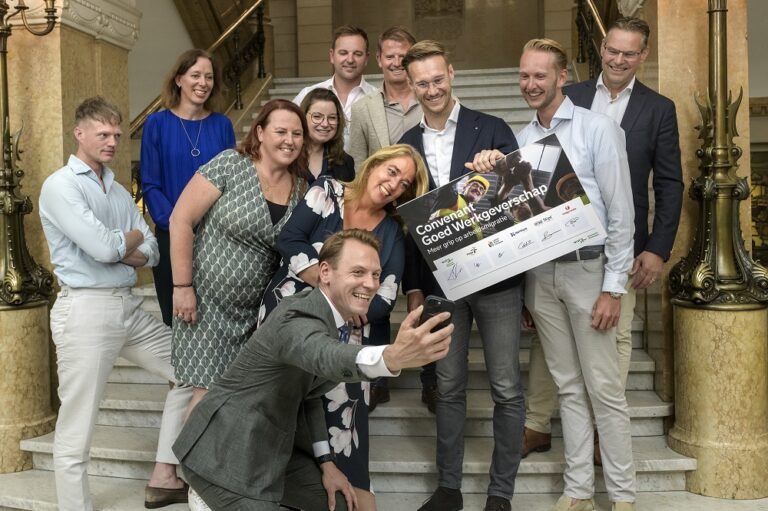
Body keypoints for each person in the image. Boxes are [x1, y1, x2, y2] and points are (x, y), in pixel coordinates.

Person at [173, 229, 454, 511]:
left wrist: (326, 462)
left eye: (376, 275)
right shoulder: (297, 314)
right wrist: (390, 357)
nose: (369, 284)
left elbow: (309, 396)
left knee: (360, 505)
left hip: (273, 451)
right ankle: (204, 498)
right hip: (223, 455)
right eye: (358, 272)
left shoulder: (335, 321)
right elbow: (325, 355)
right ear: (325, 272)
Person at [473, 38, 636, 511]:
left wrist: (613, 286)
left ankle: (623, 498)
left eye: (539, 76)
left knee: (604, 390)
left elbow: (622, 215)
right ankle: (579, 491)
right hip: (542, 277)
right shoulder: (520, 142)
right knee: (566, 386)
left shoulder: (598, 128)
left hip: (590, 270)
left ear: (562, 77)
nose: (530, 84)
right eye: (524, 75)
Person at [522, 16, 684, 466]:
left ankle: (600, 433)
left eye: (628, 53)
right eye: (612, 50)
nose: (617, 59)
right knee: (551, 345)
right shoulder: (565, 94)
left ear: (642, 56)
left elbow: (670, 184)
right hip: (559, 252)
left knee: (613, 339)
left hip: (620, 246)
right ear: (602, 48)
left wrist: (655, 248)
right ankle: (537, 423)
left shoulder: (657, 109)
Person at [38, 96, 192, 511]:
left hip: (127, 308)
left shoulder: (119, 190)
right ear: (80, 133)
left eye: (117, 135)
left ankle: (165, 471)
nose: (111, 142)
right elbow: (105, 248)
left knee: (191, 372)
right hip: (85, 310)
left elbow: (154, 248)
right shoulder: (61, 186)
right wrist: (126, 241)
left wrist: (124, 243)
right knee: (78, 424)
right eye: (103, 134)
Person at [258, 144, 429, 510]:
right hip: (290, 313)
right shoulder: (328, 190)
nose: (395, 184)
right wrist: (328, 291)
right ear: (377, 164)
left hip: (348, 332)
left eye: (405, 184)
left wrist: (346, 306)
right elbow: (289, 239)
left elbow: (385, 296)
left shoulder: (393, 230)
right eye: (393, 172)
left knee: (342, 426)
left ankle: (350, 500)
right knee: (281, 406)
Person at [398, 40, 524, 511]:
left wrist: (501, 167)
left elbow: (521, 198)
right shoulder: (406, 144)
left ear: (451, 74)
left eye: (437, 78)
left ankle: (500, 495)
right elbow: (408, 225)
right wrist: (413, 288)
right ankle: (449, 489)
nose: (431, 89)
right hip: (439, 286)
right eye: (421, 83)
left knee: (506, 388)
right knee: (447, 387)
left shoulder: (491, 129)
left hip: (498, 282)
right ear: (409, 87)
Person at [170, 99, 308, 415]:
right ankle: (194, 464)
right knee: (207, 395)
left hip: (255, 314)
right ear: (259, 132)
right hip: (205, 305)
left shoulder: (303, 188)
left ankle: (222, 465)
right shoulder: (230, 164)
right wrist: (182, 287)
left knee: (239, 401)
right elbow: (180, 219)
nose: (290, 140)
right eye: (281, 131)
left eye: (297, 134)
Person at [140, 49, 236, 326]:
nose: (202, 83)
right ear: (179, 79)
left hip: (216, 239)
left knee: (216, 320)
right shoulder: (156, 124)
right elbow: (151, 183)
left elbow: (230, 182)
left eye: (208, 77)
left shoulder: (222, 125)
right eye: (195, 75)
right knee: (180, 320)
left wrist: (213, 225)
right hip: (170, 236)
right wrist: (177, 224)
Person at [348, 26, 421, 169]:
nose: (397, 63)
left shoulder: (433, 99)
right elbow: (358, 165)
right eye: (389, 57)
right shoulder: (362, 109)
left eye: (403, 57)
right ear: (379, 59)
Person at [293, 25, 377, 150]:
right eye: (343, 53)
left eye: (357, 54)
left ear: (366, 58)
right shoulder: (307, 94)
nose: (350, 60)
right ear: (332, 56)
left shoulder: (377, 99)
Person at [299, 88, 355, 183]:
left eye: (332, 118)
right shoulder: (288, 156)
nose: (325, 124)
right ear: (303, 117)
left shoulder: (346, 162)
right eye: (317, 116)